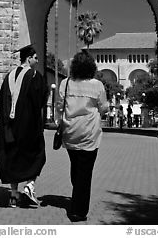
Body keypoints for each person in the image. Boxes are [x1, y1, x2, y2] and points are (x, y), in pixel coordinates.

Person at [57, 50, 108, 222]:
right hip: (89, 134)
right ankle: (78, 211)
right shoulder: (97, 85)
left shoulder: (65, 83)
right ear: (91, 67)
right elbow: (104, 107)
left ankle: (76, 194)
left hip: (70, 133)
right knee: (85, 173)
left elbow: (59, 106)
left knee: (75, 166)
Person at [0, 44, 48, 208]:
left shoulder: (9, 76)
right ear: (29, 58)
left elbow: (1, 103)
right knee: (37, 155)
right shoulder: (34, 75)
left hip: (9, 128)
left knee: (13, 159)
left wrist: (4, 126)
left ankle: (13, 195)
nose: (37, 61)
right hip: (29, 127)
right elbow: (40, 101)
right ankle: (29, 185)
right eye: (36, 58)